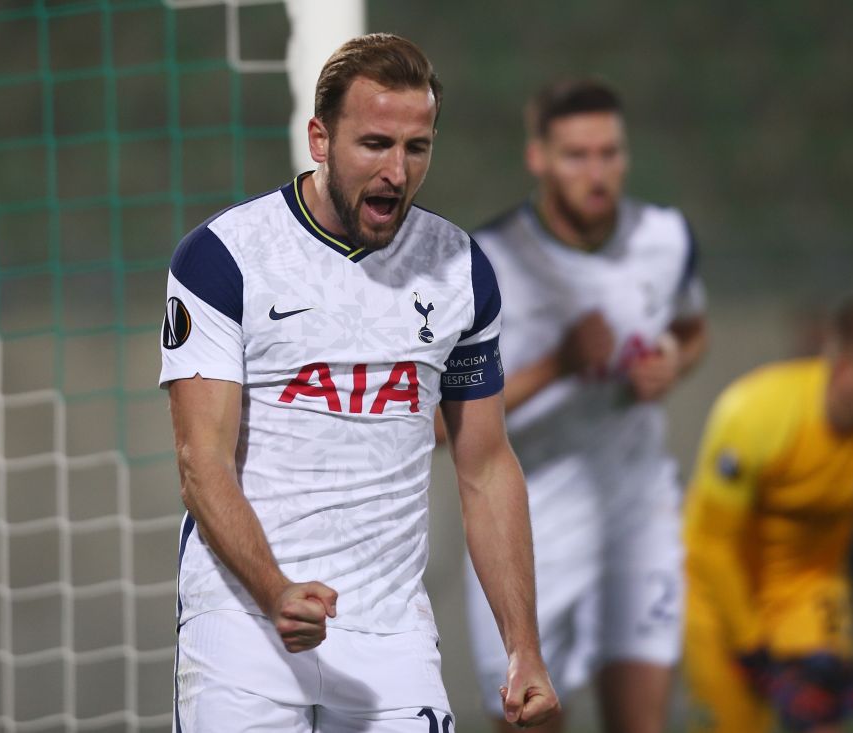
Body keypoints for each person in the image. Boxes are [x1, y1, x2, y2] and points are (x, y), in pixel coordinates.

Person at [159, 33, 559, 732]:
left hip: (390, 635)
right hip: (242, 621)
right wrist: (275, 589)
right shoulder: (224, 259)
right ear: (319, 138)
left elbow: (487, 467)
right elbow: (202, 463)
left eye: (417, 147)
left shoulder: (461, 270)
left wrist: (522, 647)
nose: (396, 173)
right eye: (375, 144)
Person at [461, 78, 708, 733]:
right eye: (576, 155)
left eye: (610, 153)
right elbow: (438, 421)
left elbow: (691, 327)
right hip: (529, 527)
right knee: (529, 722)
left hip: (637, 511)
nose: (597, 173)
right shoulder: (487, 263)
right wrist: (558, 365)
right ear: (536, 157)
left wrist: (672, 363)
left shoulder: (666, 237)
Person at [683, 297, 853, 733]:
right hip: (719, 595)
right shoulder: (755, 414)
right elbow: (712, 547)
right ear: (847, 371)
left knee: (822, 722)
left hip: (809, 590)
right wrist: (753, 649)